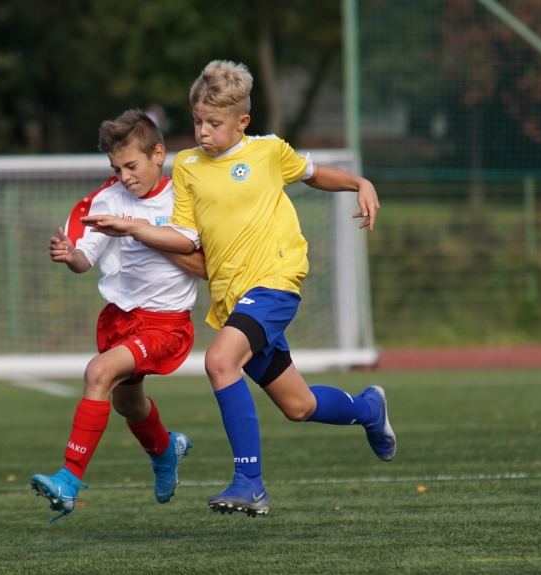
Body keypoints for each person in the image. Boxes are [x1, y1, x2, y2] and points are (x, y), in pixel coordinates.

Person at [81, 60, 395, 518]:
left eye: (214, 123)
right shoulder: (187, 166)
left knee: (219, 360)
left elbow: (314, 174)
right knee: (298, 405)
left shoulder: (267, 152)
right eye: (197, 122)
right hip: (233, 297)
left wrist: (359, 183)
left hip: (276, 280)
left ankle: (250, 482)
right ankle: (369, 408)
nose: (203, 132)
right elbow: (185, 236)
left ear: (242, 122)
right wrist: (133, 227)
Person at [30, 110, 207, 525]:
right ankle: (166, 451)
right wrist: (69, 254)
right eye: (117, 168)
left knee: (98, 372)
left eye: (132, 165)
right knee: (129, 404)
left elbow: (205, 266)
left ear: (158, 155)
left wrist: (135, 229)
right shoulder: (106, 198)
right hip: (119, 319)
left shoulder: (185, 198)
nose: (125, 176)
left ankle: (69, 481)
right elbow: (84, 259)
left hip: (166, 323)